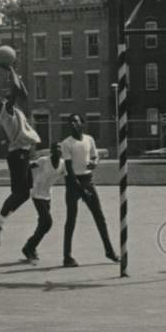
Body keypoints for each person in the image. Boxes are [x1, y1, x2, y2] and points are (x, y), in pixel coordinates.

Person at [0, 64, 40, 247]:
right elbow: (16, 90)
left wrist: (16, 75)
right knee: (21, 193)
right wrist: (10, 69)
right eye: (3, 100)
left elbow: (22, 92)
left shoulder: (10, 111)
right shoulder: (5, 111)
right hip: (18, 155)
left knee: (24, 193)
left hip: (21, 153)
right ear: (0, 105)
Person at [61, 114, 119, 267]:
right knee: (71, 220)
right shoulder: (66, 143)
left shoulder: (89, 139)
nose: (73, 124)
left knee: (99, 217)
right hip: (73, 183)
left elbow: (95, 157)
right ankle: (67, 257)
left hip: (87, 180)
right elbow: (69, 170)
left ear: (82, 124)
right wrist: (81, 191)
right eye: (70, 122)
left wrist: (95, 163)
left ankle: (109, 251)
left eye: (76, 121)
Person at [22, 143, 66, 262]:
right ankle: (29, 246)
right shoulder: (43, 160)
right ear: (51, 150)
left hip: (47, 196)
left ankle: (30, 248)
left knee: (43, 225)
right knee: (47, 222)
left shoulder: (63, 164)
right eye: (55, 148)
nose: (57, 149)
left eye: (59, 148)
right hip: (37, 194)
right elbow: (28, 167)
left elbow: (69, 177)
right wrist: (28, 184)